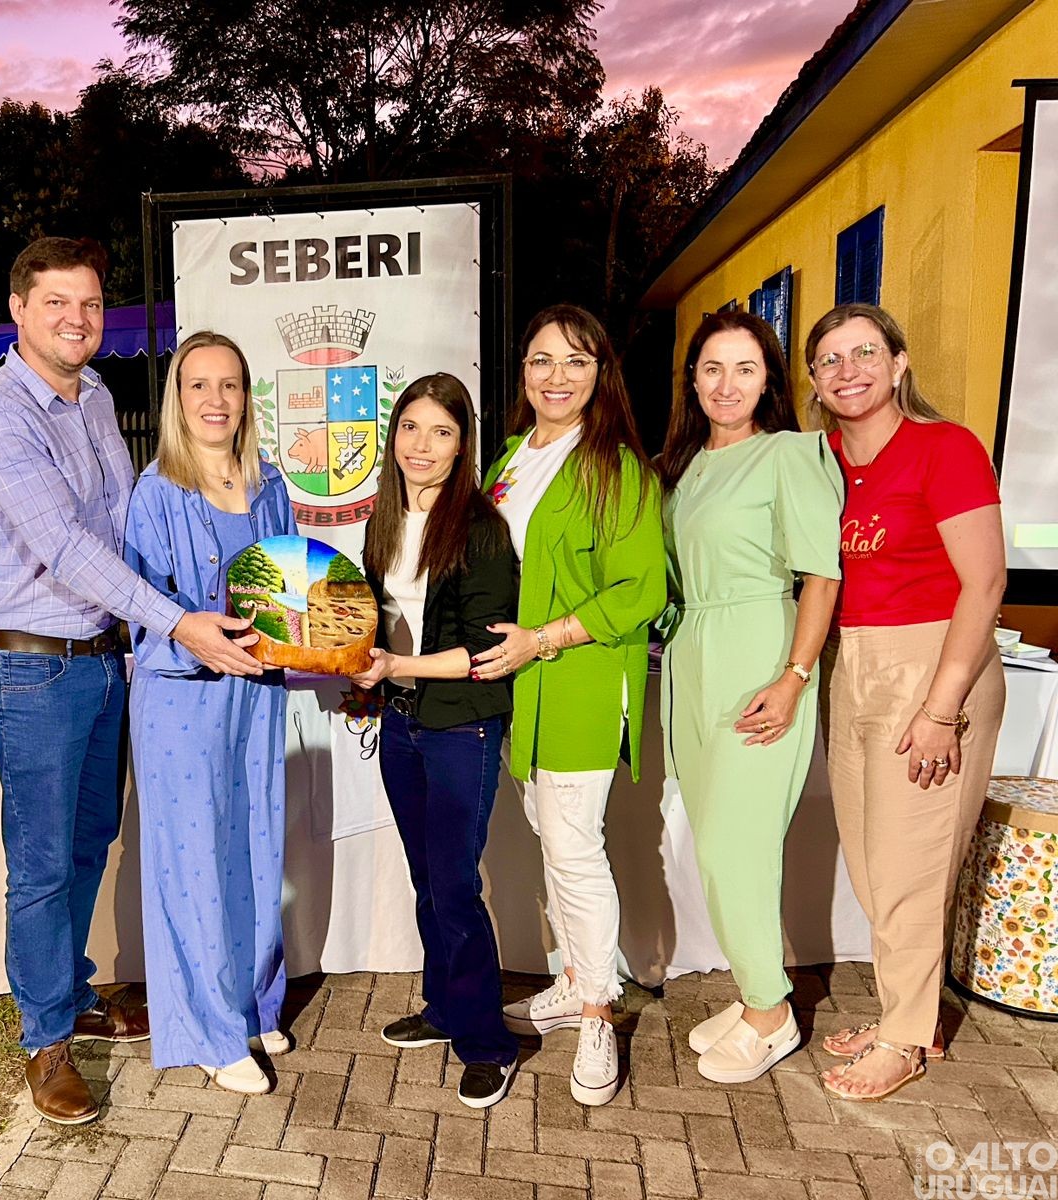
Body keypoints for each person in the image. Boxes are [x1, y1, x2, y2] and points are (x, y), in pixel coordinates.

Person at [0, 238, 263, 1125]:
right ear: (18, 309)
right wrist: (179, 620)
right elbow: (66, 547)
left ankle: (72, 992)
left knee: (91, 845)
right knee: (44, 865)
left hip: (98, 666)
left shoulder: (94, 399)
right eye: (57, 303)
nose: (77, 320)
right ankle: (46, 1041)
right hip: (31, 669)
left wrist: (222, 517)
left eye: (89, 304)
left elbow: (128, 523)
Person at [805, 303, 1005, 1102]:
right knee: (872, 861)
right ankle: (907, 1012)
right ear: (815, 383)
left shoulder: (943, 447)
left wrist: (940, 708)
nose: (847, 369)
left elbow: (986, 582)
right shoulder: (820, 459)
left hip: (933, 663)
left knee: (913, 863)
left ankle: (905, 1038)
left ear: (898, 364)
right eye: (829, 359)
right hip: (853, 661)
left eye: (864, 353)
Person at [471, 303, 665, 1107]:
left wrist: (542, 639)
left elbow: (640, 589)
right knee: (552, 836)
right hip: (517, 682)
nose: (557, 376)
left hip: (580, 680)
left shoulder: (617, 466)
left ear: (601, 373)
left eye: (575, 361)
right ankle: (573, 973)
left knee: (575, 846)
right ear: (522, 373)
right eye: (541, 360)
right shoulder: (513, 458)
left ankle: (597, 1011)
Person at [656, 310, 843, 1083]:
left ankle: (772, 1014)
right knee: (712, 843)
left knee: (739, 846)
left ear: (768, 380)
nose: (726, 384)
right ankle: (753, 989)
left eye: (745, 368)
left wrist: (793, 676)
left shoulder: (791, 454)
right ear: (693, 381)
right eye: (711, 368)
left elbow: (821, 574)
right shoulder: (687, 464)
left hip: (760, 648)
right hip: (692, 655)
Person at [122, 331, 296, 1094]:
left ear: (246, 397)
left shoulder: (271, 486)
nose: (215, 400)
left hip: (257, 696)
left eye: (230, 385)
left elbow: (293, 592)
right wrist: (203, 646)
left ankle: (255, 1004)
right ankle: (208, 1032)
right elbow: (142, 614)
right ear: (177, 398)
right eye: (199, 385)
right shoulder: (157, 491)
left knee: (256, 845)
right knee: (194, 862)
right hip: (182, 701)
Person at [349, 372, 521, 1109]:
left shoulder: (481, 528)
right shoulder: (382, 522)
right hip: (401, 722)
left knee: (455, 884)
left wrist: (396, 667)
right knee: (427, 880)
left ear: (463, 444)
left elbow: (483, 651)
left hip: (462, 724)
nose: (422, 445)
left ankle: (488, 1041)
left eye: (441, 432)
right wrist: (360, 674)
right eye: (411, 428)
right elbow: (369, 619)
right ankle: (446, 1009)